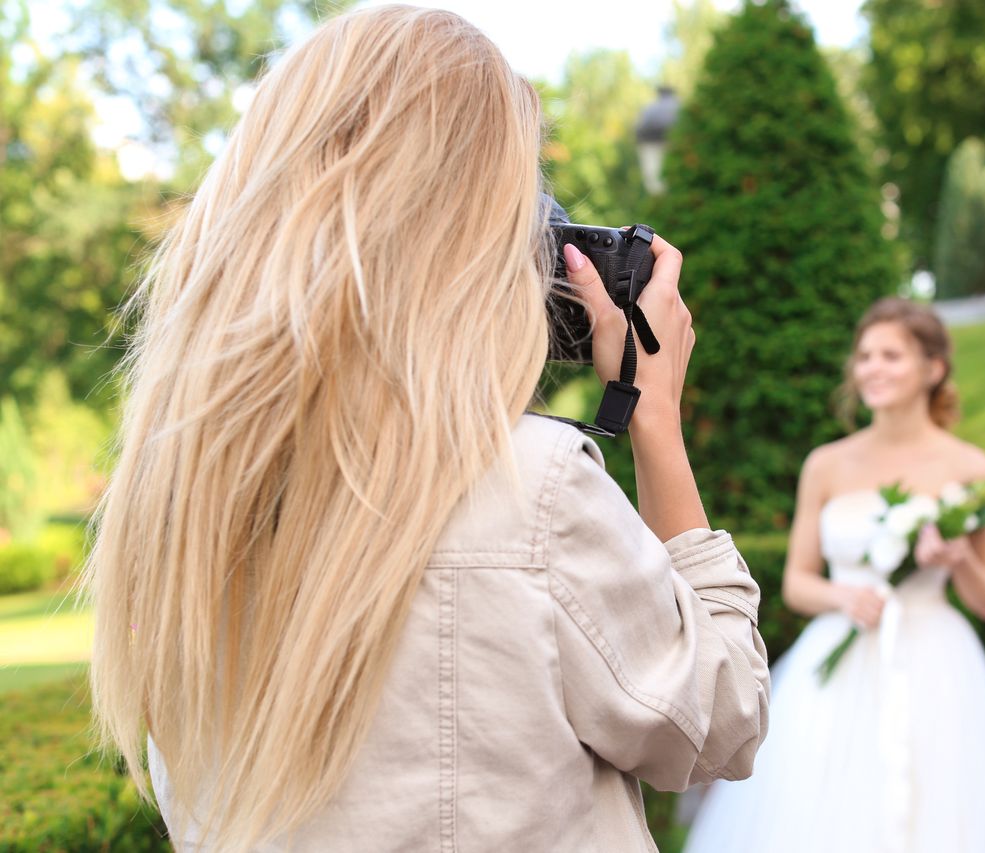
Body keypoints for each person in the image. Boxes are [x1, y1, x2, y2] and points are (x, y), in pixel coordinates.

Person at [83, 6, 769, 851]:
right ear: (473, 237)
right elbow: (719, 719)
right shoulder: (531, 487)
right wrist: (653, 411)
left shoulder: (177, 504)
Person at [684, 296, 985, 852]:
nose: (872, 367)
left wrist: (959, 557)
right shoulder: (827, 464)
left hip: (937, 663)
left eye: (891, 355)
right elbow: (799, 583)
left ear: (933, 369)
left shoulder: (970, 467)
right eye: (865, 355)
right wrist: (845, 597)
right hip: (840, 660)